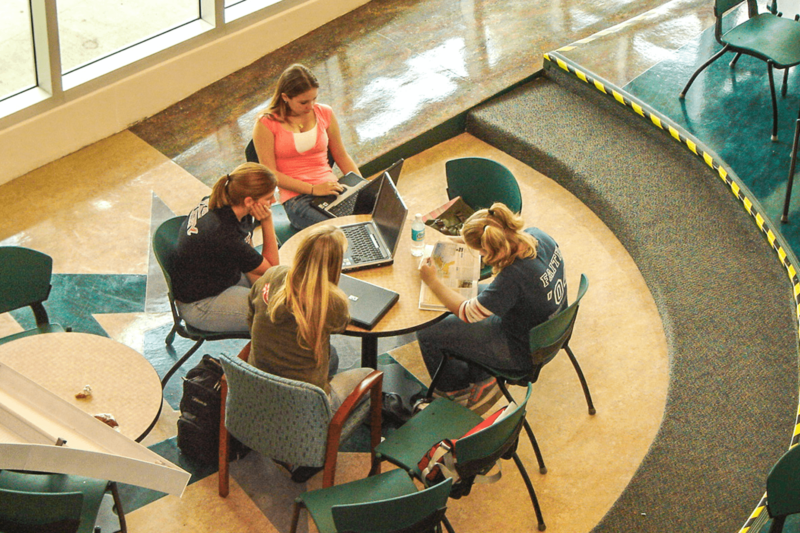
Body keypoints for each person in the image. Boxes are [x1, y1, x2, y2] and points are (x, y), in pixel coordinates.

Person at [416, 202, 567, 413]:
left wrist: (432, 281)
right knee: (465, 294)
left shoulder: (512, 277)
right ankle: (478, 371)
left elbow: (467, 313)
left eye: (480, 251)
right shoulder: (536, 236)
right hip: (548, 330)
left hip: (522, 351)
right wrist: (449, 242)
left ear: (490, 248)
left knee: (427, 330)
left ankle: (455, 391)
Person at [247, 225, 372, 411]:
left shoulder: (272, 274)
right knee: (369, 375)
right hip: (306, 406)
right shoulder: (332, 302)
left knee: (332, 355)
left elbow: (250, 315)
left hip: (257, 387)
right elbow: (340, 324)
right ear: (335, 264)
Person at [172, 162, 280, 333]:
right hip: (202, 303)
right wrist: (267, 221)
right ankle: (252, 357)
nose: (274, 201)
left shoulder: (223, 202)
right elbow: (272, 269)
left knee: (283, 291)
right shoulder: (224, 234)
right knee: (279, 315)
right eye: (269, 198)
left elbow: (255, 268)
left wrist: (265, 289)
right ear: (249, 201)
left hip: (223, 277)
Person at [252, 63, 361, 230]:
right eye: (303, 102)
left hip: (330, 188)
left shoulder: (324, 112)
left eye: (314, 99)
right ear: (285, 97)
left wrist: (362, 186)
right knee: (339, 231)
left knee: (368, 216)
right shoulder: (266, 124)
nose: (310, 106)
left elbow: (341, 155)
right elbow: (270, 174)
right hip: (297, 199)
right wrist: (312, 189)